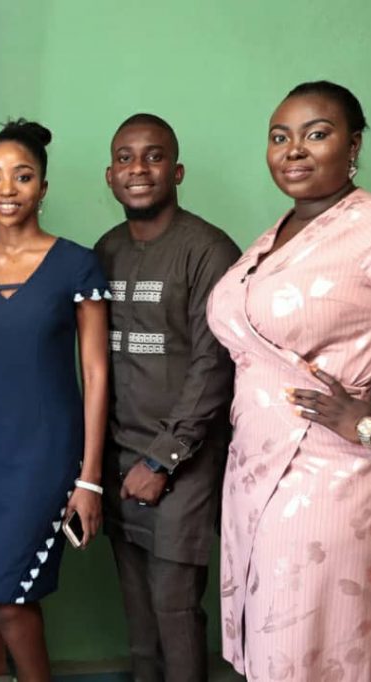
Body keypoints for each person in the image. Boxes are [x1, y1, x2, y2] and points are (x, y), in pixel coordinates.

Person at [207, 81, 371, 680]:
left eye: (316, 134)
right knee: (285, 651)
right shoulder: (281, 233)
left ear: (354, 145)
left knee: (316, 651)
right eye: (279, 137)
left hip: (334, 478)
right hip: (259, 474)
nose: (294, 150)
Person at [0, 120, 109, 682]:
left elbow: (96, 372)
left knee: (6, 598)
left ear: (43, 187)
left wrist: (90, 479)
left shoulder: (77, 264)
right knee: (8, 593)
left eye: (22, 176)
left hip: (47, 456)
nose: (7, 189)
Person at [94, 114, 239, 682]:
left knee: (173, 607)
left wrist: (161, 460)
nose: (138, 169)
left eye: (153, 157)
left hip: (183, 460)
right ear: (110, 176)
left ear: (176, 171)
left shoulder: (208, 250)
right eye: (125, 158)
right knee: (137, 615)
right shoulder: (105, 251)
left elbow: (213, 365)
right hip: (118, 457)